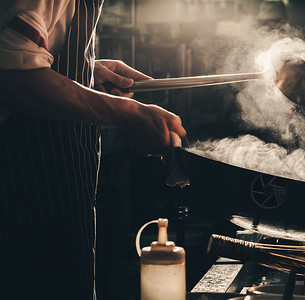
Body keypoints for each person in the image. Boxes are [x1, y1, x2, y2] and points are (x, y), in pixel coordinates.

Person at [0, 0, 186, 299]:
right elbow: (11, 75)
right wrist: (127, 112)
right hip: (21, 187)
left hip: (58, 187)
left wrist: (87, 72)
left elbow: (23, 50)